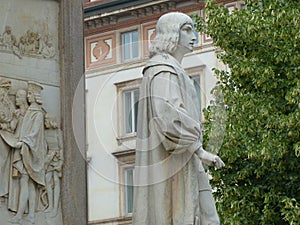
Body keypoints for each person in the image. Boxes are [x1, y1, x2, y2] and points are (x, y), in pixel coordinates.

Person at [132, 12, 225, 225]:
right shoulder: (163, 70)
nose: (194, 35)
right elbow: (168, 119)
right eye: (186, 29)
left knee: (208, 217)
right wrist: (199, 150)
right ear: (172, 33)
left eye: (193, 29)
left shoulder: (169, 69)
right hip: (177, 161)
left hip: (183, 159)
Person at [10, 81, 46, 224]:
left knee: (26, 182)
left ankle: (21, 215)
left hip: (31, 152)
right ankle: (30, 215)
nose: (28, 96)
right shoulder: (30, 111)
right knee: (29, 184)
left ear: (35, 96)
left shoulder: (37, 114)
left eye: (30, 94)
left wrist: (23, 142)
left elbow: (35, 132)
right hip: (27, 150)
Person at [44, 112, 63, 217]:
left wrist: (61, 162)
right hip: (48, 158)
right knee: (48, 181)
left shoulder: (58, 132)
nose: (45, 122)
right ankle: (50, 205)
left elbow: (61, 148)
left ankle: (55, 208)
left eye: (46, 120)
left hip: (56, 158)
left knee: (56, 181)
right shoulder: (45, 133)